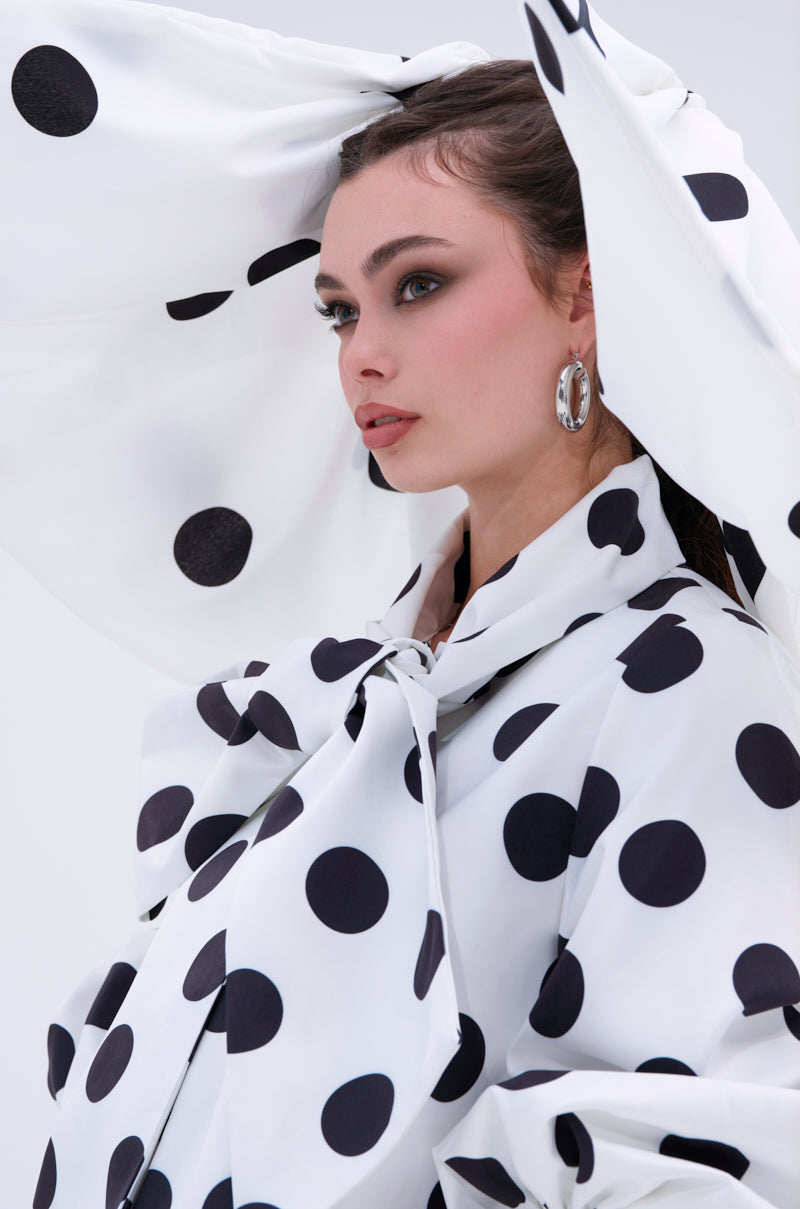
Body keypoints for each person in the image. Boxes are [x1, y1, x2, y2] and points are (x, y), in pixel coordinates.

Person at [35, 57, 799, 1209]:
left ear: (587, 296)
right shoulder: (311, 719)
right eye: (339, 308)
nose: (360, 354)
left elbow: (699, 1161)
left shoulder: (684, 681)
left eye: (419, 285)